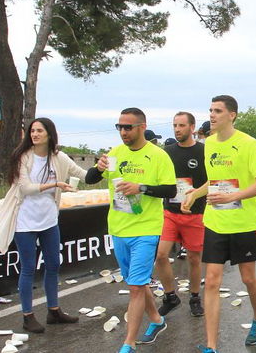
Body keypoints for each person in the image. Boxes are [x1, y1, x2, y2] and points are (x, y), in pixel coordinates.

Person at [85, 108, 177, 353]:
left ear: (142, 127)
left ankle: (129, 344)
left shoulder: (158, 156)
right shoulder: (115, 153)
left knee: (135, 287)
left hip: (146, 229)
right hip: (119, 228)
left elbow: (170, 191)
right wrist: (99, 167)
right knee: (136, 282)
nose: (123, 132)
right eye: (119, 127)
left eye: (128, 127)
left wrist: (141, 188)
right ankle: (157, 320)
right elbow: (90, 178)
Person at [182, 95, 256, 352]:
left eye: (218, 111)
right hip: (216, 220)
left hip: (245, 222)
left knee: (248, 278)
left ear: (232, 115)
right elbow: (214, 181)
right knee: (211, 281)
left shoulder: (247, 143)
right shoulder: (208, 143)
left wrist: (232, 196)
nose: (212, 115)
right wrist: (195, 193)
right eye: (210, 110)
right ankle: (211, 345)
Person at [0, 118, 83, 334]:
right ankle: (28, 316)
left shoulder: (58, 157)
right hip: (25, 220)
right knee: (28, 268)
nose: (34, 134)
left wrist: (102, 169)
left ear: (49, 134)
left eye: (39, 131)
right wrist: (54, 184)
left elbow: (81, 174)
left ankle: (54, 311)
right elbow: (24, 188)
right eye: (32, 131)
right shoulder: (22, 157)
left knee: (53, 265)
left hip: (49, 220)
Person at [154, 112, 207, 317]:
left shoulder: (203, 151)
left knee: (194, 259)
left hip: (195, 214)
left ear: (192, 128)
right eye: (175, 125)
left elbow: (213, 180)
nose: (177, 129)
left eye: (182, 125)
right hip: (171, 212)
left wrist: (195, 195)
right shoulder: (166, 152)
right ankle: (170, 296)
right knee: (161, 255)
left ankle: (194, 297)